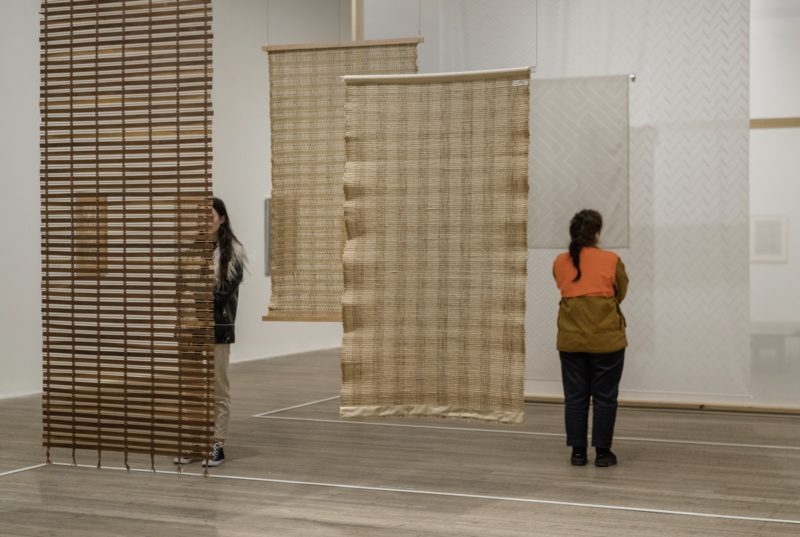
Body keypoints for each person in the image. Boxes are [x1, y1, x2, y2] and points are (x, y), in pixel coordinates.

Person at [552, 209, 628, 467]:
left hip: (571, 341)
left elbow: (563, 287)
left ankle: (578, 453)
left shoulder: (560, 262)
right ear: (597, 233)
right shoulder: (611, 259)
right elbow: (621, 291)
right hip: (607, 340)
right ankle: (603, 454)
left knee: (575, 397)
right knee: (605, 397)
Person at [175, 197, 246, 467]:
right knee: (192, 389)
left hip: (218, 329)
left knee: (218, 388)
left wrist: (195, 294)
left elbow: (221, 295)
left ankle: (217, 444)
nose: (203, 219)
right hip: (191, 328)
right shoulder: (192, 251)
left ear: (222, 219)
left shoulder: (233, 253)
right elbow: (180, 288)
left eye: (209, 214)